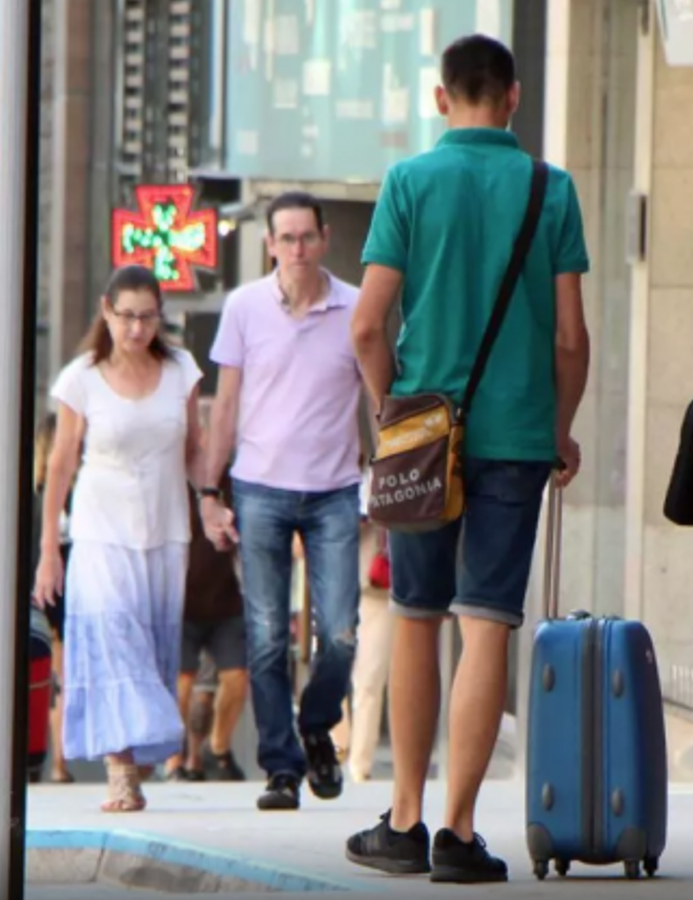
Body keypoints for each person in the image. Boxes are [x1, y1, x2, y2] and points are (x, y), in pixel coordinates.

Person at [344, 33, 590, 884]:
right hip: (518, 438)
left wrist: (391, 413)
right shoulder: (550, 189)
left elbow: (367, 325)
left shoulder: (410, 181)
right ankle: (457, 832)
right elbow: (571, 338)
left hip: (423, 433)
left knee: (416, 615)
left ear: (442, 98)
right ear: (514, 97)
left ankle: (404, 821)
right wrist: (559, 430)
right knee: (487, 623)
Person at [199, 190, 365, 811]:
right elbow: (226, 407)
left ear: (324, 240)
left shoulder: (355, 307)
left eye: (306, 237)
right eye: (285, 238)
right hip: (260, 489)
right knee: (266, 637)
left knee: (343, 633)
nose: (296, 249)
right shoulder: (243, 307)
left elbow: (380, 397)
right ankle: (282, 767)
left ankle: (317, 725)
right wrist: (211, 494)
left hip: (335, 492)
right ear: (270, 244)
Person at [34, 264, 206, 812]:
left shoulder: (181, 370)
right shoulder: (81, 377)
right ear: (106, 312)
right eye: (126, 316)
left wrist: (213, 502)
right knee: (112, 644)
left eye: (148, 317)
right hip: (99, 533)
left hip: (165, 532)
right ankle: (120, 775)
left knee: (150, 653)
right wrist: (47, 552)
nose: (136, 329)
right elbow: (60, 464)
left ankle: (134, 756)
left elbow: (195, 449)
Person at [166, 462, 249, 783]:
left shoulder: (232, 479)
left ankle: (219, 749)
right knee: (182, 683)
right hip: (182, 603)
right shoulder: (174, 482)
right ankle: (175, 761)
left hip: (225, 601)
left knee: (237, 678)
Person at [331, 480, 395, 784]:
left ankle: (359, 764)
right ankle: (337, 746)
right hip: (336, 584)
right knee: (329, 666)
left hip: (378, 587)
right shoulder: (338, 471)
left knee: (368, 678)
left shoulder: (393, 470)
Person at [32, 412, 74, 783]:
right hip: (70, 581)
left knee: (53, 673)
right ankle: (60, 759)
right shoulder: (74, 493)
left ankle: (58, 759)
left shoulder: (33, 494)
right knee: (63, 673)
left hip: (41, 588)